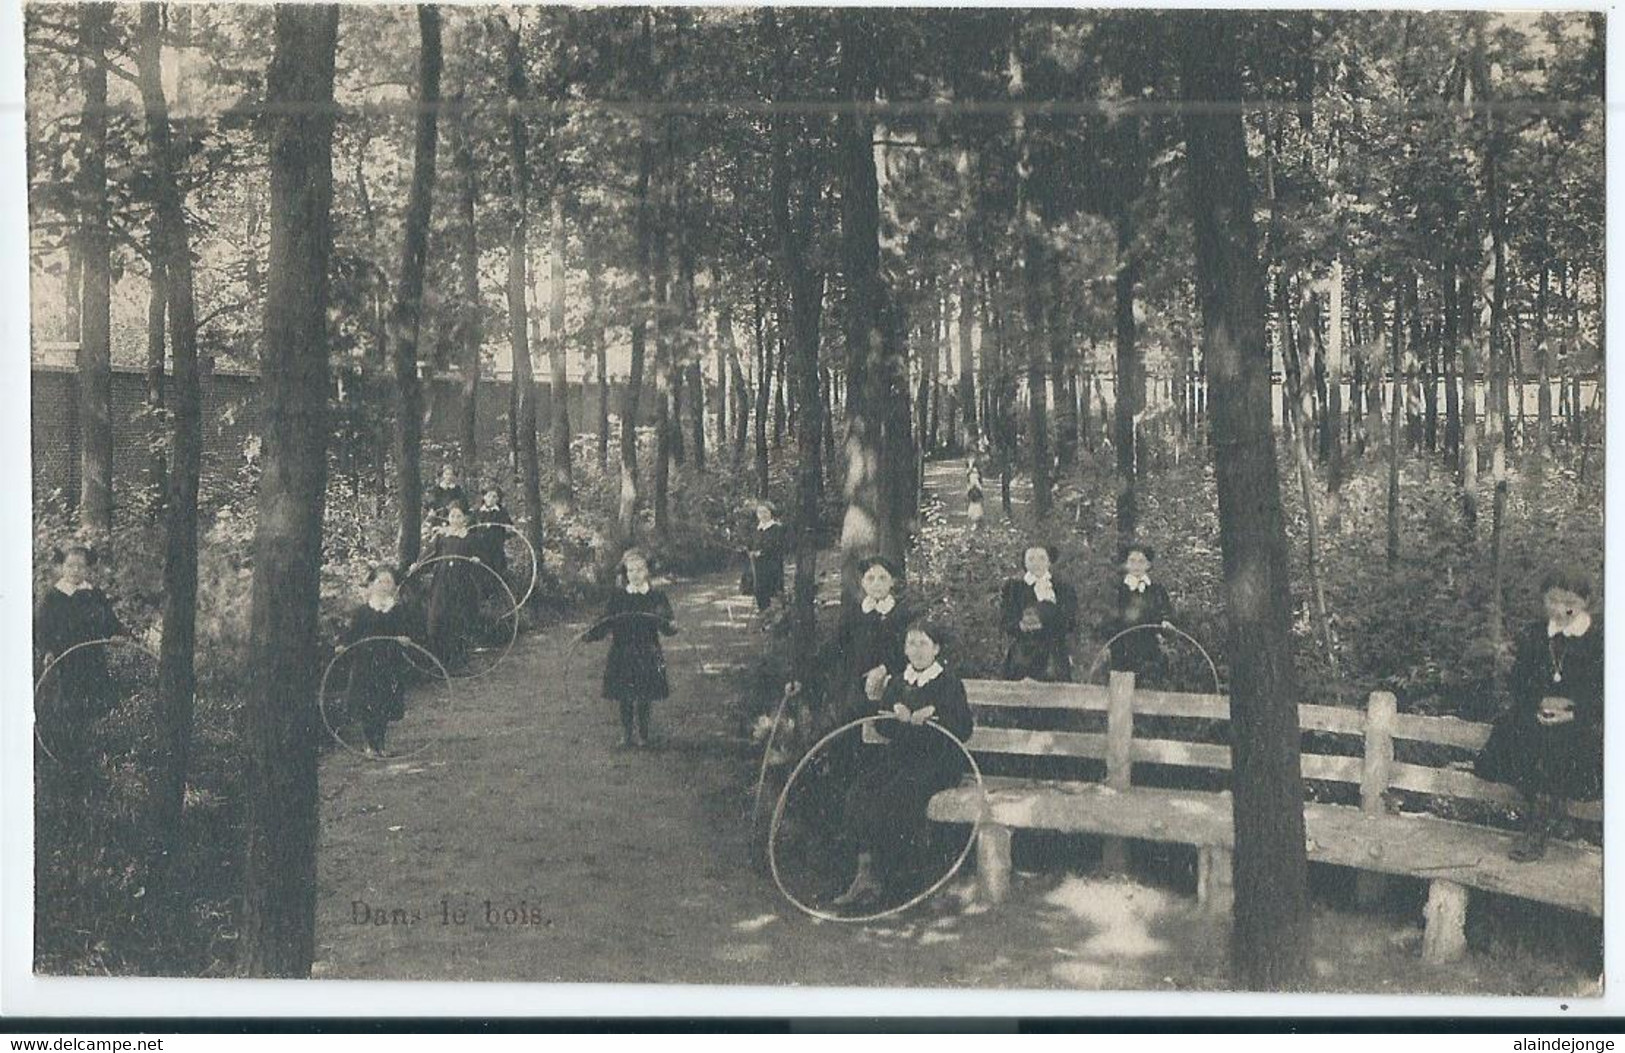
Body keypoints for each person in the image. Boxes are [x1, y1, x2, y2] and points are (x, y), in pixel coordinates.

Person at [832, 619, 975, 908]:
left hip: (938, 761)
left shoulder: (949, 682)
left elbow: (963, 729)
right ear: (905, 649)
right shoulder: (898, 681)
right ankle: (865, 875)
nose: (917, 649)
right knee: (861, 791)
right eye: (912, 643)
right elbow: (883, 728)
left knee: (897, 797)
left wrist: (935, 713)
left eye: (924, 643)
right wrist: (892, 713)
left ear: (936, 648)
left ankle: (901, 881)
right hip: (901, 758)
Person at [1475, 570, 1603, 862]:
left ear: (1584, 602)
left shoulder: (1599, 639)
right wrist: (1539, 702)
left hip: (1582, 722)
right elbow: (1519, 682)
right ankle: (1547, 817)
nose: (1560, 609)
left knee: (1565, 744)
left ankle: (1541, 825)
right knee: (1517, 731)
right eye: (1553, 600)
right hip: (1538, 716)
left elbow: (1606, 689)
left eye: (1569, 601)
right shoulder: (1535, 634)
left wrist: (1574, 712)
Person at [34, 543, 129, 761]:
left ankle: (97, 752)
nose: (75, 571)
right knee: (68, 705)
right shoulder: (54, 596)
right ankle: (67, 753)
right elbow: (42, 628)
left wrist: (117, 634)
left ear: (88, 569)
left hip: (93, 659)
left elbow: (110, 621)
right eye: (70, 566)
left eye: (80, 566)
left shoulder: (93, 594)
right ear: (62, 567)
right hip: (65, 661)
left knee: (96, 702)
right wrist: (47, 651)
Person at [583, 549, 677, 748]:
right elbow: (605, 622)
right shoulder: (618, 597)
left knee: (644, 694)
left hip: (647, 651)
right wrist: (591, 634)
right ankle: (626, 734)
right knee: (625, 695)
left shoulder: (656, 597)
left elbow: (665, 622)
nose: (635, 574)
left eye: (639, 569)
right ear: (625, 573)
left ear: (647, 571)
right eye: (630, 570)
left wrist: (671, 627)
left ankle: (644, 734)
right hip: (622, 651)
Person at [342, 566, 418, 757]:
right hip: (365, 663)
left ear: (394, 586)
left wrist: (404, 639)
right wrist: (343, 645)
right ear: (372, 584)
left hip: (389, 662)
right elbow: (352, 634)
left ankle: (381, 743)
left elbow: (407, 631)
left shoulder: (397, 610)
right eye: (380, 581)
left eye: (389, 582)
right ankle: (369, 744)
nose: (385, 586)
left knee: (384, 702)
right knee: (367, 702)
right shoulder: (362, 611)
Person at [999, 544, 1079, 682]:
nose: (1036, 563)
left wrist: (1048, 623)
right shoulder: (1014, 587)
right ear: (1024, 562)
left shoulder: (1063, 587)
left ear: (1049, 561)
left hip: (1053, 654)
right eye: (1031, 559)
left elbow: (1070, 621)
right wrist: (1020, 626)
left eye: (1042, 558)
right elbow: (1006, 619)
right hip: (1023, 653)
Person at [1100, 542, 1176, 682]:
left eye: (1141, 561)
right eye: (1132, 561)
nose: (1136, 565)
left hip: (1149, 649)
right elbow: (1108, 620)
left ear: (1148, 565)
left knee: (1150, 688)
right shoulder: (1117, 590)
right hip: (1122, 649)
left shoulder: (1157, 591)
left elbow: (1166, 613)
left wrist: (1166, 621)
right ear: (1126, 564)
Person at [422, 499, 483, 670]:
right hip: (442, 581)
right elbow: (429, 555)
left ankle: (458, 661)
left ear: (465, 519)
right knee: (437, 616)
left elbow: (480, 557)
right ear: (448, 518)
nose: (455, 519)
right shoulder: (442, 536)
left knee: (457, 619)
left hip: (461, 582)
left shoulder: (470, 537)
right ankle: (439, 661)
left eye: (459, 516)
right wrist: (417, 565)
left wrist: (476, 560)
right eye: (452, 516)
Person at [748, 501, 786, 613]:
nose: (762, 515)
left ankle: (775, 615)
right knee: (759, 589)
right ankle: (762, 612)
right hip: (758, 566)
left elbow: (777, 545)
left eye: (765, 512)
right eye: (760, 512)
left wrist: (762, 552)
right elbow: (751, 544)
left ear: (771, 513)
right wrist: (751, 552)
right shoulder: (757, 529)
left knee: (773, 589)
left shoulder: (777, 528)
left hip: (772, 564)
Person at [473, 487, 515, 579]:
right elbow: (471, 529)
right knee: (480, 573)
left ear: (498, 499)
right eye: (488, 496)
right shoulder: (477, 512)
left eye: (494, 497)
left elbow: (509, 528)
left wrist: (509, 528)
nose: (491, 499)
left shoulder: (502, 512)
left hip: (496, 549)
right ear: (484, 497)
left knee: (496, 574)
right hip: (480, 549)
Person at [965, 460, 985, 531]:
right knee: (974, 505)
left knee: (976, 506)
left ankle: (977, 523)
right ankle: (977, 523)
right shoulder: (970, 473)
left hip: (975, 490)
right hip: (973, 491)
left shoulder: (974, 473)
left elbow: (976, 483)